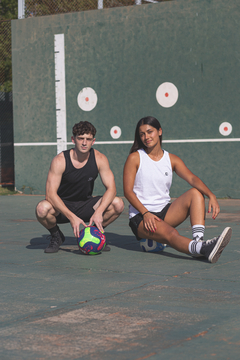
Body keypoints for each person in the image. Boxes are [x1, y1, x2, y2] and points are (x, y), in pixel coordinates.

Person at [123, 116, 232, 263]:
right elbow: (127, 191)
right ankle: (202, 249)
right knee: (172, 233)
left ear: (159, 131)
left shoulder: (171, 159)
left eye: (150, 132)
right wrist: (145, 213)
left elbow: (192, 179)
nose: (146, 137)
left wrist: (211, 195)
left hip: (165, 213)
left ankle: (198, 242)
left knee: (196, 193)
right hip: (141, 217)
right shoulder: (135, 158)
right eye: (142, 134)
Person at [36, 121, 124, 253]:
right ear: (73, 139)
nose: (84, 143)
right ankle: (56, 236)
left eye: (88, 139)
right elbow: (50, 194)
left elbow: (112, 189)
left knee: (118, 204)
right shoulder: (60, 160)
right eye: (80, 138)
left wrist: (99, 211)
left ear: (93, 141)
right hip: (63, 207)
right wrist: (71, 217)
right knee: (42, 209)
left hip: (86, 205)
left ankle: (94, 234)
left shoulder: (100, 158)